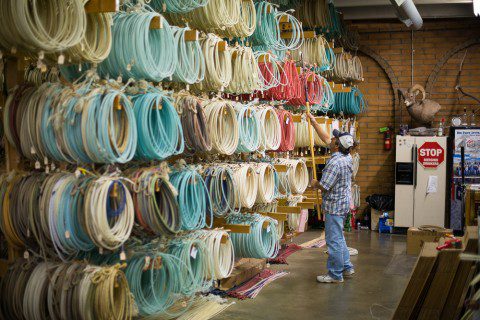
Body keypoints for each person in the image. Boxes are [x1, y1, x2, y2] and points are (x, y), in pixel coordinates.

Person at [307, 113, 355, 284]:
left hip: (334, 207)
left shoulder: (335, 163)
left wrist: (314, 183)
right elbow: (326, 137)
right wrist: (313, 123)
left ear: (336, 146)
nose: (332, 139)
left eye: (335, 139)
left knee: (333, 241)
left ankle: (335, 274)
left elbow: (324, 185)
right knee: (339, 237)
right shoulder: (346, 156)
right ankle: (347, 267)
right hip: (342, 204)